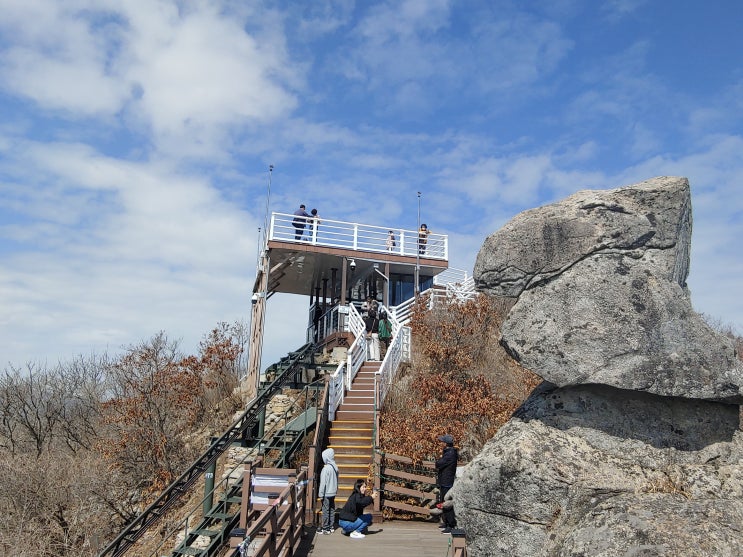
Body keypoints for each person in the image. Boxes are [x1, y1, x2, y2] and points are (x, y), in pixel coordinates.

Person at [435, 434, 458, 533]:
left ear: (446, 443)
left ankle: (451, 524)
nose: (441, 443)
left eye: (442, 442)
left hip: (447, 481)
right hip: (445, 480)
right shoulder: (449, 452)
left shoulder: (450, 454)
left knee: (447, 503)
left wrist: (438, 461)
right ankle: (447, 522)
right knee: (443, 501)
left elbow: (439, 464)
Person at [317, 448, 339, 534]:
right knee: (332, 509)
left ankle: (325, 528)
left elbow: (323, 483)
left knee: (325, 509)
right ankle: (331, 526)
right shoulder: (335, 467)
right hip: (333, 492)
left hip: (326, 493)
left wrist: (320, 494)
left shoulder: (325, 469)